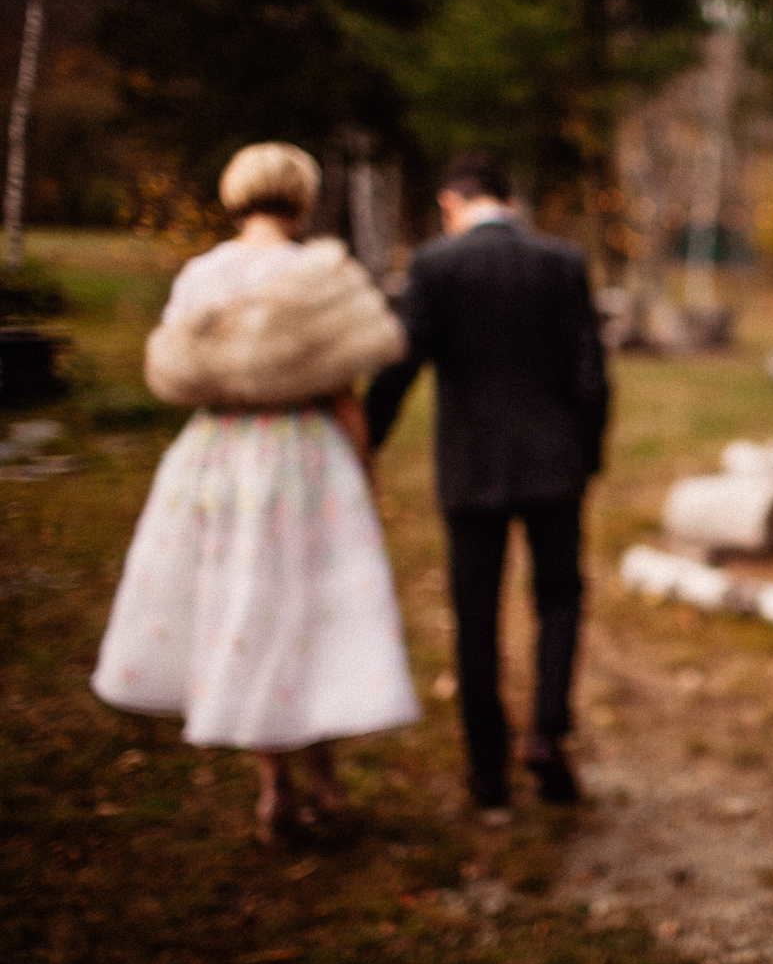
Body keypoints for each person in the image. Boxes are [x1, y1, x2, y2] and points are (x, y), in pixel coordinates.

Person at [93, 142, 420, 845]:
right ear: (300, 199)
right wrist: (364, 474)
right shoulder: (318, 277)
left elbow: (181, 369)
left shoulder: (201, 275)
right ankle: (322, 770)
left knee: (244, 603)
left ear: (236, 195)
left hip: (219, 456)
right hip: (301, 457)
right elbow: (343, 395)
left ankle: (274, 785)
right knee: (309, 606)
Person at [365, 153, 609, 810]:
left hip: (471, 468)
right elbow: (591, 371)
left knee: (477, 617)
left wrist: (362, 439)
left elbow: (399, 364)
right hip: (555, 466)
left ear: (451, 202)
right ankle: (548, 733)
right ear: (511, 202)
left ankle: (487, 771)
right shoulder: (562, 262)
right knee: (559, 598)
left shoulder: (435, 265)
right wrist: (588, 457)